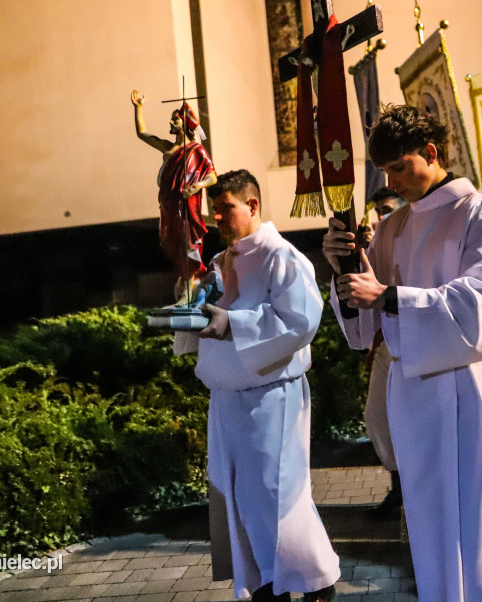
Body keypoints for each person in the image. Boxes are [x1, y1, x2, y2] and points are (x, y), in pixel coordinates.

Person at [323, 105, 482, 602]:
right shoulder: (392, 227)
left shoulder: (481, 214)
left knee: (477, 516)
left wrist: (391, 296)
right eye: (385, 171)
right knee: (429, 515)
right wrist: (342, 270)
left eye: (399, 167)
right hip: (410, 395)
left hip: (465, 389)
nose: (391, 181)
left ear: (431, 153)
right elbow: (363, 327)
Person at [192, 170, 339, 602]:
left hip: (271, 395)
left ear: (252, 205)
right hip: (227, 395)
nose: (217, 217)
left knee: (276, 493)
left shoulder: (283, 256)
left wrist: (231, 324)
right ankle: (263, 581)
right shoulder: (220, 262)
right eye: (213, 211)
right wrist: (191, 307)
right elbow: (207, 316)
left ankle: (314, 580)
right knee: (239, 493)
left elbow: (300, 322)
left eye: (226, 209)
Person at [131, 90, 218, 287]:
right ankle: (187, 282)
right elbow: (142, 133)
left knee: (188, 243)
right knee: (173, 244)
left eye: (175, 121)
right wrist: (139, 108)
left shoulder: (197, 150)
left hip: (186, 206)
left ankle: (192, 282)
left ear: (185, 124)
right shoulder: (169, 148)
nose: (171, 124)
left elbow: (212, 176)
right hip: (169, 206)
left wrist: (197, 186)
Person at [361, 186, 407, 519]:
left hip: (414, 346)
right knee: (377, 417)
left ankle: (412, 490)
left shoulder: (411, 239)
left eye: (388, 209)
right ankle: (398, 484)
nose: (381, 215)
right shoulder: (375, 242)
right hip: (385, 344)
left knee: (409, 422)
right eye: (378, 210)